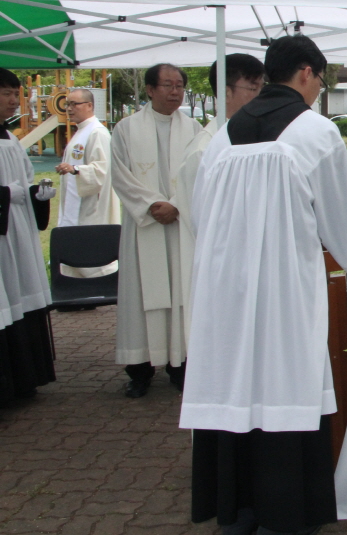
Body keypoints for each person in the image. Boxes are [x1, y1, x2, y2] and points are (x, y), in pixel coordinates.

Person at [181, 36, 347, 535]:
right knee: (282, 378)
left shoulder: (226, 135)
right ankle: (283, 512)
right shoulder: (315, 131)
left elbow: (203, 215)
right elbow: (343, 232)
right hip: (283, 290)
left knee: (237, 382)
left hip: (225, 288)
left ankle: (238, 509)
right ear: (308, 73)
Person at [111, 63, 202, 397]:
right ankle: (140, 370)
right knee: (141, 295)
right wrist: (152, 204)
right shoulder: (126, 128)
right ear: (149, 89)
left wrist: (177, 203)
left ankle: (181, 367)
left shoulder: (194, 129)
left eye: (179, 85)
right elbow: (120, 174)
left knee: (181, 292)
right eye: (167, 85)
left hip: (180, 224)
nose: (174, 91)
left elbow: (200, 172)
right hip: (144, 226)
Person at [175, 54, 264, 344]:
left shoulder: (249, 137)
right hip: (225, 270)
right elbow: (201, 222)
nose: (260, 96)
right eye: (253, 88)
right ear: (226, 91)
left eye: (262, 87)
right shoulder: (206, 148)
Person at [0, 67, 57, 405]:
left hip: (18, 230)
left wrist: (37, 194)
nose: (12, 100)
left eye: (13, 93)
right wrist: (8, 193)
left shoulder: (10, 139)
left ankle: (27, 378)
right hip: (3, 233)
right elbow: (12, 186)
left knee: (22, 297)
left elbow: (25, 180)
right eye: (5, 93)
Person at [54, 88, 121, 283]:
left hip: (92, 204)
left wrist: (75, 170)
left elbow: (102, 170)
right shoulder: (81, 132)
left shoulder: (97, 133)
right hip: (79, 200)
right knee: (76, 242)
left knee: (91, 245)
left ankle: (97, 285)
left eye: (75, 104)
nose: (69, 109)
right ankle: (76, 284)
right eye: (67, 104)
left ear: (90, 106)